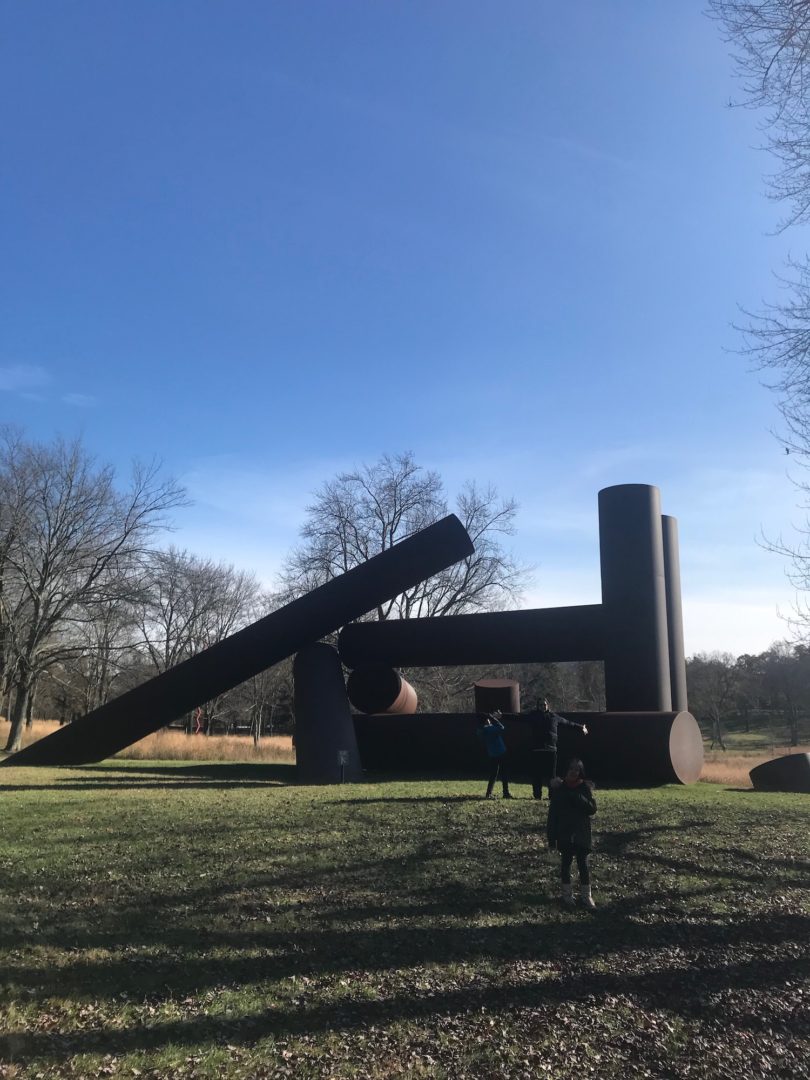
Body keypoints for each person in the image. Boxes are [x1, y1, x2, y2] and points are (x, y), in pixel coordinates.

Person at [547, 758, 597, 910]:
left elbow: (592, 809)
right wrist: (551, 838)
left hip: (581, 832)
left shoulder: (584, 788)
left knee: (583, 865)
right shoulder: (559, 789)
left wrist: (579, 798)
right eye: (571, 769)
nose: (574, 772)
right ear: (565, 771)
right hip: (564, 832)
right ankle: (567, 895)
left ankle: (586, 895)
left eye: (577, 769)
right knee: (566, 864)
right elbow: (553, 814)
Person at [522, 698, 589, 800]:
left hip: (551, 750)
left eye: (544, 705)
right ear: (538, 706)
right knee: (536, 775)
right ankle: (537, 796)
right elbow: (518, 717)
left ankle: (552, 795)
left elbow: (568, 723)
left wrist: (581, 727)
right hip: (537, 750)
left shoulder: (554, 717)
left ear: (547, 705)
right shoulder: (533, 716)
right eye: (540, 705)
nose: (543, 707)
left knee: (551, 775)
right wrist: (502, 716)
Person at [477, 710, 513, 799]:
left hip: (492, 754)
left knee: (493, 774)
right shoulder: (491, 729)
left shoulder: (481, 731)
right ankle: (506, 792)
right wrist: (493, 718)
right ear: (487, 720)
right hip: (501, 752)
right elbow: (502, 727)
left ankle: (488, 793)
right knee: (504, 773)